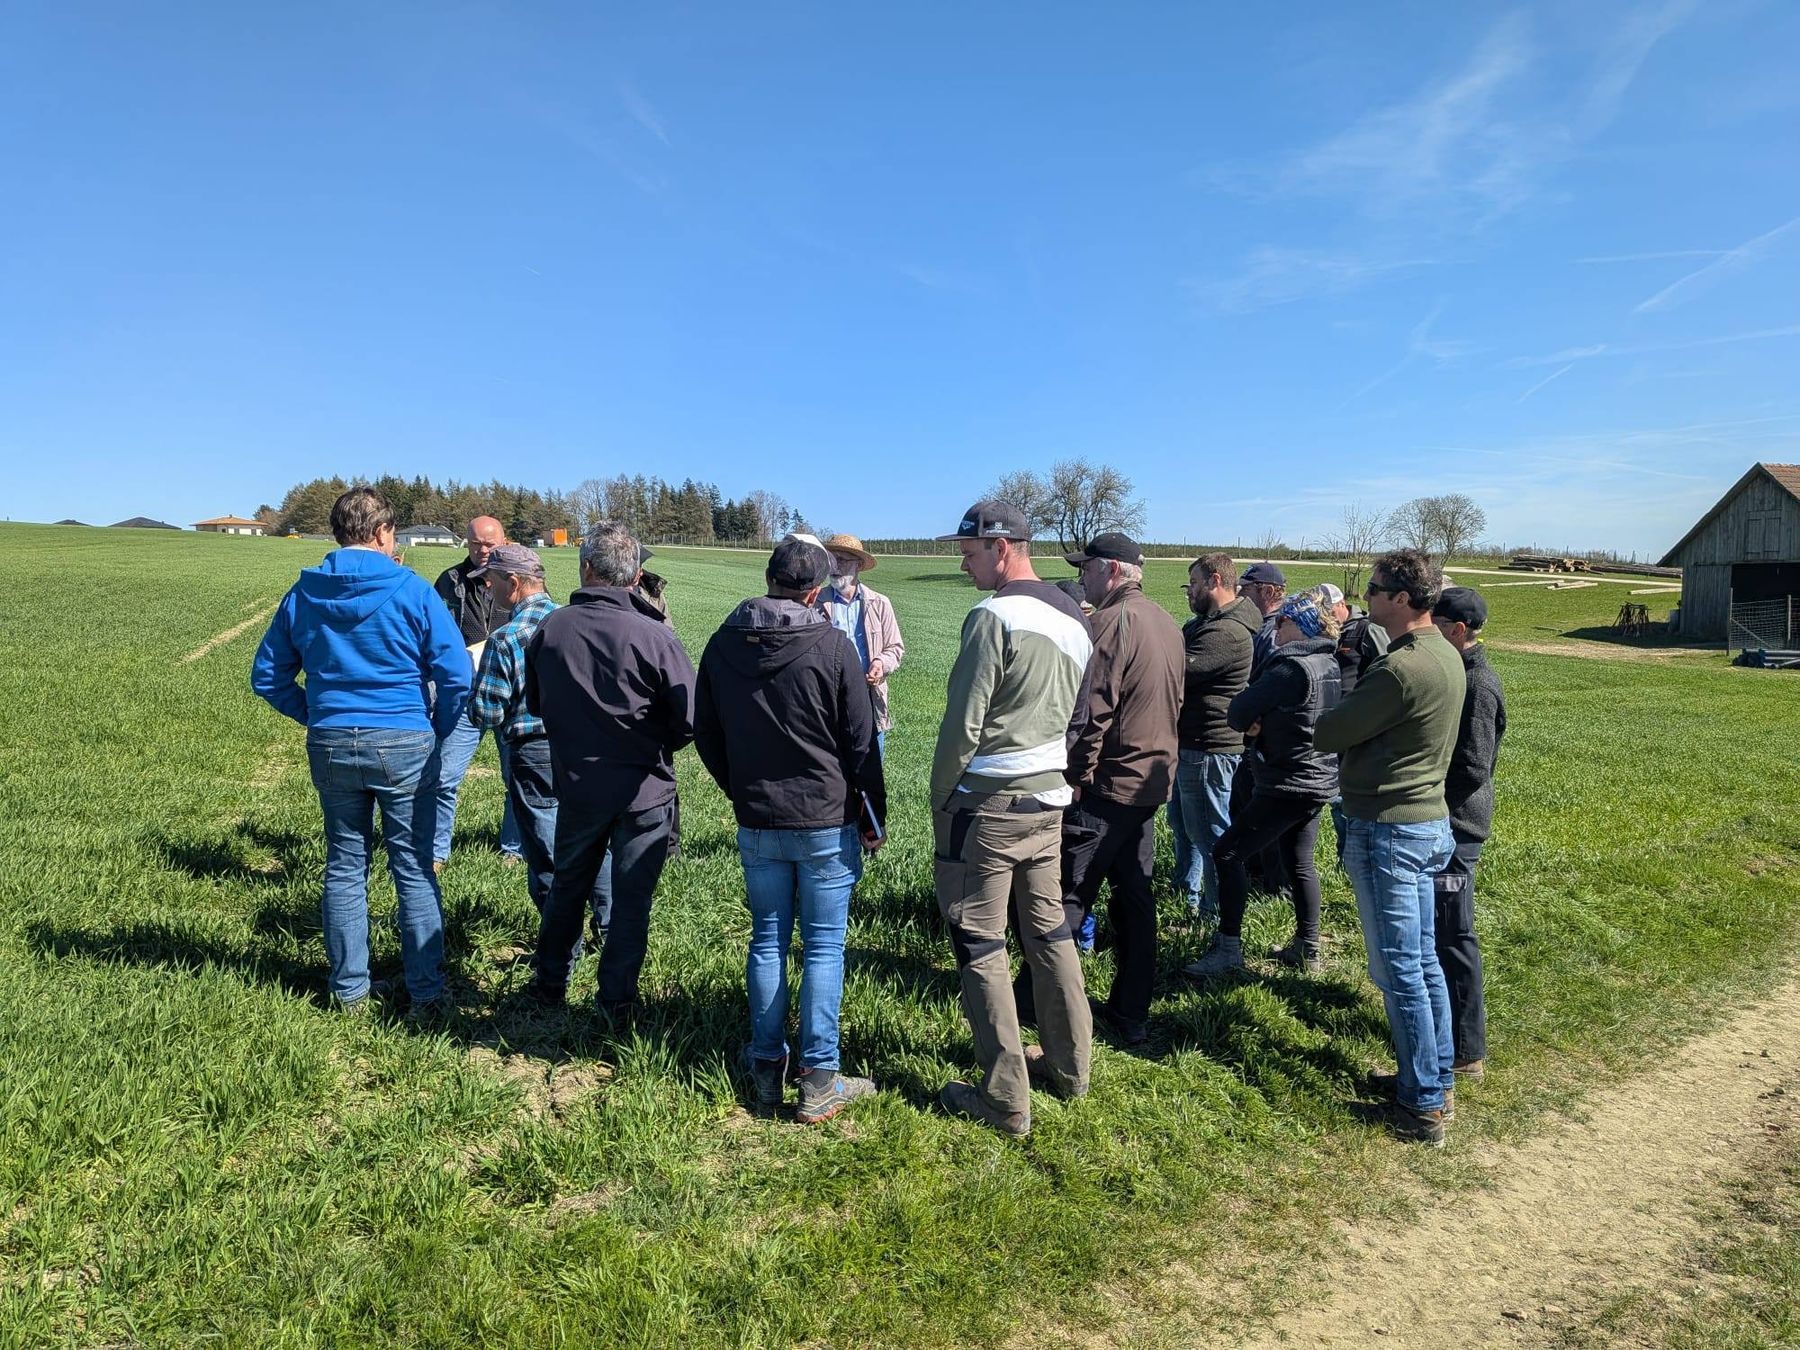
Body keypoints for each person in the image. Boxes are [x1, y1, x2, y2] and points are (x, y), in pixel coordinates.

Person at [251, 487, 470, 1018]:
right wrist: (435, 726)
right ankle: (426, 992)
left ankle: (349, 990)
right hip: (403, 740)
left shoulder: (303, 595)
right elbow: (456, 674)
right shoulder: (413, 591)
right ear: (382, 534)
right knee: (413, 867)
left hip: (332, 741)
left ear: (337, 532)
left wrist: (316, 712)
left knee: (345, 865)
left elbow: (268, 677)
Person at [695, 535, 889, 1124]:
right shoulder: (832, 645)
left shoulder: (724, 643)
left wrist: (741, 787)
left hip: (759, 818)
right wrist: (872, 812)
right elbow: (861, 743)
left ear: (768, 577)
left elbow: (706, 733)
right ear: (814, 591)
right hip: (826, 820)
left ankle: (764, 1066)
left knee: (768, 939)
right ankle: (818, 1078)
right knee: (824, 945)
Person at [931, 500, 1094, 1137]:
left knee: (980, 944)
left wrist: (941, 796)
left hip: (987, 806)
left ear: (1003, 548)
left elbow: (963, 723)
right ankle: (1071, 1069)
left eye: (970, 554)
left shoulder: (992, 615)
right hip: (1047, 803)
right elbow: (1078, 716)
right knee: (1049, 934)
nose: (965, 566)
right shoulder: (1075, 618)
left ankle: (1004, 1100)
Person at [1315, 549, 1466, 1146]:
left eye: (1376, 590)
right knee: (1424, 960)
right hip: (1427, 823)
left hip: (1390, 827)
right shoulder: (1445, 654)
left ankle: (1424, 1103)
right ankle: (1435, 1077)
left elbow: (1332, 731)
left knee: (1400, 968)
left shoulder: (1400, 668)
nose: (1369, 599)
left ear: (1402, 599)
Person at [522, 523, 697, 1018]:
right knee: (630, 898)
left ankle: (549, 982)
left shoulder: (550, 629)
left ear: (585, 569)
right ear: (637, 576)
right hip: (643, 789)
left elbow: (537, 703)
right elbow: (689, 721)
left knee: (567, 885)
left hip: (577, 785)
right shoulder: (655, 636)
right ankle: (616, 1000)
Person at [1044, 532, 1184, 1047]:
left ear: (1111, 571)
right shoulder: (1167, 622)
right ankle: (1131, 1013)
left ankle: (1044, 1008)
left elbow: (1092, 712)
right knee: (1135, 898)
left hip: (1108, 786)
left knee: (1069, 896)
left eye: (1087, 568)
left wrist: (1076, 777)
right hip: (1150, 783)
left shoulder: (1110, 622)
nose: (1082, 577)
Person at [466, 544, 611, 961]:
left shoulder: (505, 638)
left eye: (491, 583)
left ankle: (563, 950)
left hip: (533, 754)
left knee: (547, 855)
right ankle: (610, 928)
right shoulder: (577, 624)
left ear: (513, 584)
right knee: (594, 844)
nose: (488, 591)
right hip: (586, 750)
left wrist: (470, 691)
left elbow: (488, 713)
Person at [1185, 594, 1340, 978]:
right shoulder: (1328, 662)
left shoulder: (1290, 668)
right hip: (1318, 777)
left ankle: (1228, 949)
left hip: (1286, 781)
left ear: (1298, 626)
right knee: (1300, 860)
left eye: (1283, 622)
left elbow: (1238, 712)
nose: (1276, 629)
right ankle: (1309, 945)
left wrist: (1257, 722)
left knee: (1227, 853)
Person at [1431, 586, 1505, 1082]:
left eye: (1436, 626)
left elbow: (1474, 765)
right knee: (1439, 933)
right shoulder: (1460, 672)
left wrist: (1430, 801)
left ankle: (1466, 1051)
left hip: (1458, 826)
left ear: (1459, 631)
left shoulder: (1478, 684)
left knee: (1455, 935)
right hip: (1446, 821)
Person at [1169, 553, 1259, 922]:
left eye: (1193, 583)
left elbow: (1176, 670)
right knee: (1184, 825)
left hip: (1210, 746)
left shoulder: (1227, 632)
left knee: (1210, 834)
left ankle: (1217, 914)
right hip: (1192, 743)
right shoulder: (1209, 624)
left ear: (1215, 582)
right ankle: (1186, 893)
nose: (1188, 592)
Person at [428, 515, 522, 868]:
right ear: (466, 543)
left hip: (510, 694)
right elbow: (435, 634)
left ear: (504, 541)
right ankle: (437, 851)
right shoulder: (449, 582)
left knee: (517, 777)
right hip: (465, 693)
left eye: (490, 544)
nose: (482, 550)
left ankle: (513, 850)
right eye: (475, 544)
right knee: (444, 776)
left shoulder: (517, 581)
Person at [817, 533, 906, 756]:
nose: (835, 566)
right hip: (827, 696)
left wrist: (880, 663)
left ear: (858, 565)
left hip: (868, 694)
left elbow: (895, 647)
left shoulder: (880, 603)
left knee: (871, 764)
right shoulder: (816, 601)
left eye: (843, 560)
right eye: (832, 559)